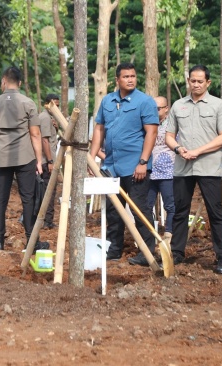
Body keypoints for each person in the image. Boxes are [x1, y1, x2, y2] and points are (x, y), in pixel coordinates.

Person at [165, 64, 222, 275]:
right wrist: (178, 148)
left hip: (208, 166)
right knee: (179, 211)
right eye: (192, 81)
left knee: (215, 213)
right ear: (188, 81)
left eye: (200, 81)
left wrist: (198, 151)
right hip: (183, 166)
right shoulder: (178, 105)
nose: (196, 84)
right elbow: (169, 135)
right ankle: (176, 253)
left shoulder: (218, 105)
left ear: (208, 83)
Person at [89, 62, 159, 261]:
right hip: (111, 166)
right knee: (113, 210)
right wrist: (92, 158)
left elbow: (151, 132)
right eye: (126, 77)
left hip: (135, 166)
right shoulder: (107, 101)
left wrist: (143, 162)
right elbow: (100, 129)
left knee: (139, 209)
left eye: (133, 76)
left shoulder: (145, 102)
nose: (130, 80)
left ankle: (147, 252)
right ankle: (113, 249)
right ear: (117, 80)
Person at [0, 66, 47, 251]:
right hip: (25, 156)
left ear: (3, 81)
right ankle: (32, 241)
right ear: (19, 83)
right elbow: (35, 134)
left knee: (0, 198)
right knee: (28, 198)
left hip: (3, 157)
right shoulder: (28, 103)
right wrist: (38, 160)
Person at [129, 96, 175, 266]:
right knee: (145, 206)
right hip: (148, 170)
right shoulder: (145, 123)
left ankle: (169, 237)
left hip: (168, 170)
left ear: (166, 109)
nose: (155, 112)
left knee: (170, 205)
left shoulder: (172, 125)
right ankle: (148, 239)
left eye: (158, 109)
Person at [38, 93, 60, 229]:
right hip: (47, 161)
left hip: (48, 159)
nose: (56, 108)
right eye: (54, 105)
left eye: (57, 106)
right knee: (49, 190)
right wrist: (51, 161)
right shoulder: (45, 118)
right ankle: (47, 221)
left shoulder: (49, 118)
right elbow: (45, 141)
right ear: (47, 104)